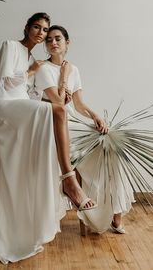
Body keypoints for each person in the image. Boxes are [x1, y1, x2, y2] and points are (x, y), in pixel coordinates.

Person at [0, 13, 97, 266]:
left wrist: (49, 87)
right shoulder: (11, 46)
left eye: (45, 29)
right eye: (37, 27)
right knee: (57, 110)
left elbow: (29, 94)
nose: (41, 33)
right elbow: (5, 85)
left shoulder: (33, 58)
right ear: (27, 28)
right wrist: (31, 71)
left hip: (21, 106)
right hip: (4, 107)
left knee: (57, 111)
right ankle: (69, 181)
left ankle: (65, 181)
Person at [35, 25, 134, 234]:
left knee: (112, 151)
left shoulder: (75, 69)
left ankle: (116, 215)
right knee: (98, 155)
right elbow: (60, 104)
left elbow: (78, 105)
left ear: (67, 42)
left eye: (58, 39)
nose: (53, 43)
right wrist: (64, 73)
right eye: (49, 40)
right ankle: (90, 209)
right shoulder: (43, 69)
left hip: (74, 123)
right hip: (54, 125)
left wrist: (96, 116)